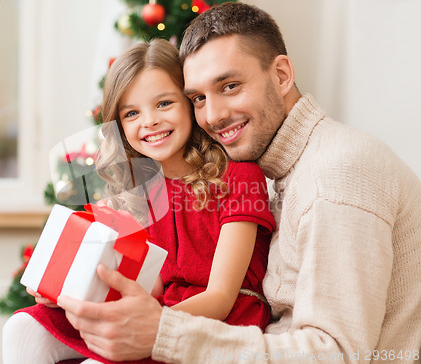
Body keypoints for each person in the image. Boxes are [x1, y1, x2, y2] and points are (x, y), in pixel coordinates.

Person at [55, 3, 421, 363]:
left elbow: (337, 354)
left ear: (281, 75)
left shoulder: (337, 175)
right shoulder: (271, 171)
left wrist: (164, 334)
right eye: (198, 98)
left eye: (230, 86)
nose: (212, 116)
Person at [2, 38, 275, 364]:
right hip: (161, 308)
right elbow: (150, 287)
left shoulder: (238, 177)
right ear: (118, 125)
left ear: (189, 104)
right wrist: (66, 295)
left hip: (219, 320)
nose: (149, 121)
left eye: (163, 104)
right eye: (132, 113)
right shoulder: (143, 191)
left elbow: (220, 297)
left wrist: (146, 325)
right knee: (21, 327)